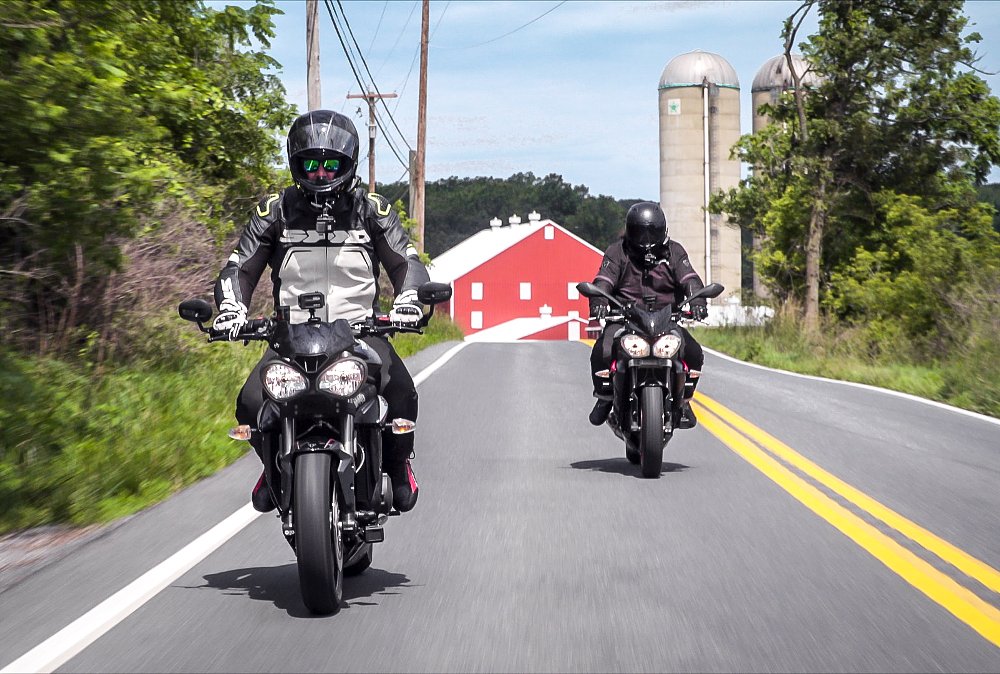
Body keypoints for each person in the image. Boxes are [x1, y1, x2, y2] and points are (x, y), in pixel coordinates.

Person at [211, 109, 429, 513]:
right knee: (250, 401)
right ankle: (272, 467)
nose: (321, 174)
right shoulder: (274, 211)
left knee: (401, 392)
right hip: (290, 337)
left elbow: (406, 262)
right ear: (296, 164)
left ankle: (399, 468)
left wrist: (409, 300)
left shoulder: (373, 210)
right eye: (311, 164)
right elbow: (239, 266)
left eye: (332, 165)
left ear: (349, 164)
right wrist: (230, 307)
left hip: (361, 334)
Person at [587, 201, 709, 428]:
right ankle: (604, 397)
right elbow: (603, 280)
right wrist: (599, 301)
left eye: (651, 232)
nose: (646, 239)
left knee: (693, 352)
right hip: (625, 318)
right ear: (630, 231)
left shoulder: (675, 251)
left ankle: (683, 400)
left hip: (666, 319)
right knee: (602, 350)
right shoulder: (617, 251)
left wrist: (698, 300)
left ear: (662, 229)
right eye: (640, 232)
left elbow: (689, 277)